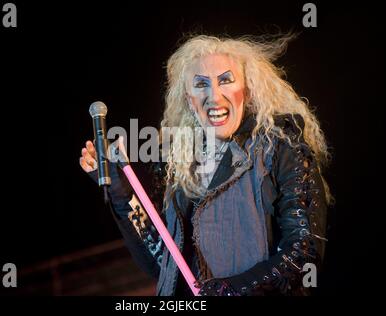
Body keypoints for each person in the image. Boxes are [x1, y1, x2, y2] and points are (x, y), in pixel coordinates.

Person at [80, 34, 330, 296]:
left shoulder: (280, 144)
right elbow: (165, 263)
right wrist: (122, 193)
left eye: (225, 80)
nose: (214, 95)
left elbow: (303, 252)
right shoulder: (178, 165)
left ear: (245, 90)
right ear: (189, 100)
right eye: (201, 84)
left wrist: (230, 290)